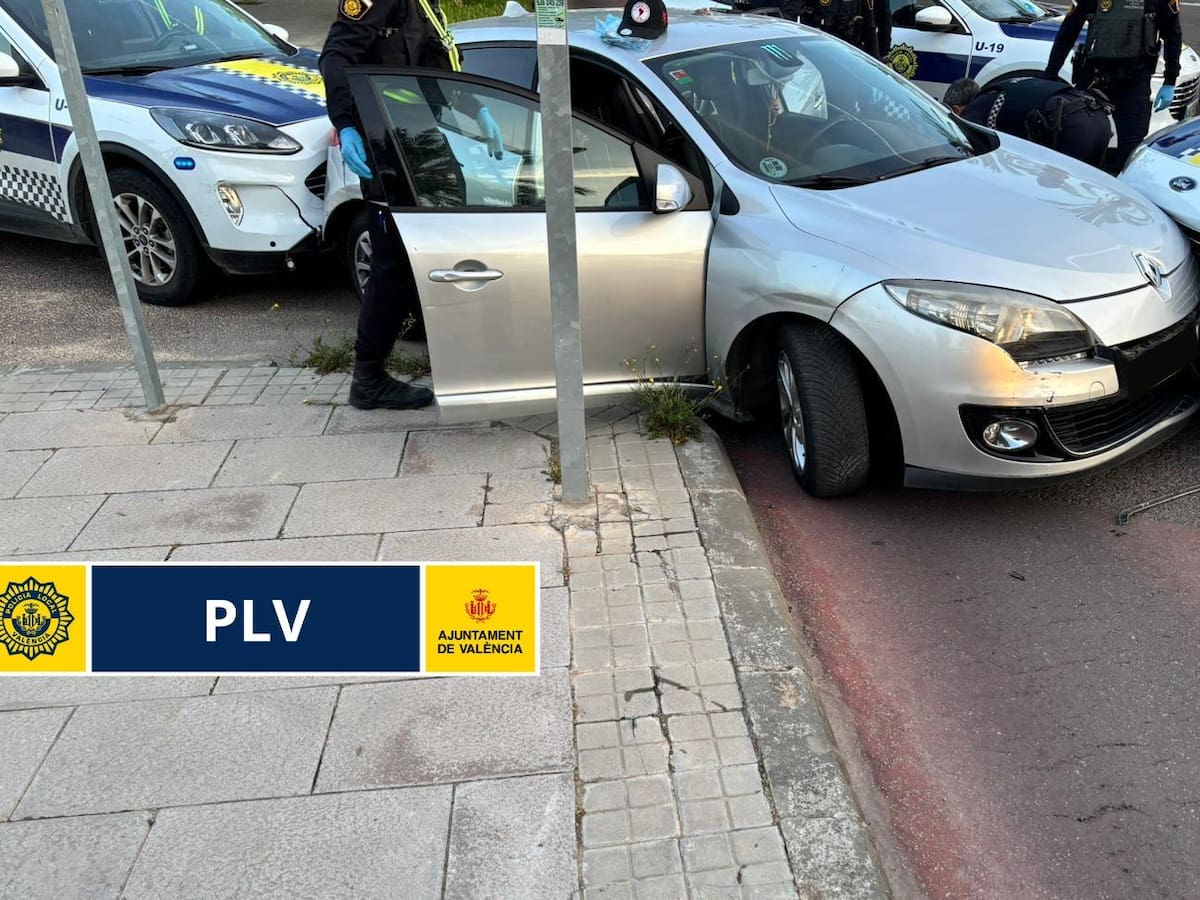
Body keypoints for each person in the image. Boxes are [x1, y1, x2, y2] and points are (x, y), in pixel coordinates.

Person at [319, 0, 504, 410]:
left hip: (417, 137)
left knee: (437, 251)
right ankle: (368, 377)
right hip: (389, 142)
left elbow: (434, 65)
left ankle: (459, 360)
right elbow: (335, 56)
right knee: (394, 265)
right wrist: (346, 124)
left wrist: (479, 109)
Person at [1044, 0, 1182, 172]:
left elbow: (1172, 36)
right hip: (1094, 78)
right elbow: (1068, 32)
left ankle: (1120, 191)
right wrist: (1050, 73)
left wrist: (1170, 80)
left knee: (1130, 152)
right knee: (1077, 140)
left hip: (1134, 82)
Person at [945, 75, 1112, 167]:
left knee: (1063, 193)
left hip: (1072, 126)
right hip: (1098, 116)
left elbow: (972, 155)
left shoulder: (975, 110)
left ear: (957, 109)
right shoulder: (999, 90)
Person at [782, 0, 891, 61]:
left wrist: (879, 58)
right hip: (818, 53)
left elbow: (873, 23)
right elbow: (788, 15)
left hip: (854, 53)